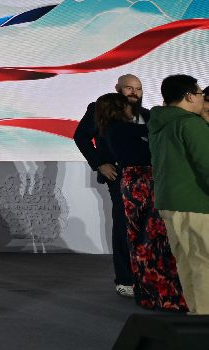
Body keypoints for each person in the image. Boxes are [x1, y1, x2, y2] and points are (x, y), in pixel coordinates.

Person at [101, 91, 186, 311]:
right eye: (127, 105)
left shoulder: (115, 129)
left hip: (137, 183)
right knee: (150, 238)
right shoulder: (122, 129)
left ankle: (150, 293)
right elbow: (152, 136)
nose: (133, 107)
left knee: (143, 237)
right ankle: (158, 292)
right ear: (119, 108)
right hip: (142, 183)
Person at [74, 74, 146, 297]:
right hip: (119, 176)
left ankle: (147, 277)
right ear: (117, 88)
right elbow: (81, 137)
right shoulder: (100, 109)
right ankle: (125, 279)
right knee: (124, 225)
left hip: (148, 178)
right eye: (129, 88)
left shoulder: (147, 114)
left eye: (138, 88)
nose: (134, 92)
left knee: (147, 227)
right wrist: (100, 164)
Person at [148, 74, 209, 314]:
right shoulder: (190, 124)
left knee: (187, 263)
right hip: (196, 202)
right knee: (203, 264)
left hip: (170, 201)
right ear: (189, 96)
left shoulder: (159, 124)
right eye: (200, 94)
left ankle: (198, 315)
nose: (203, 99)